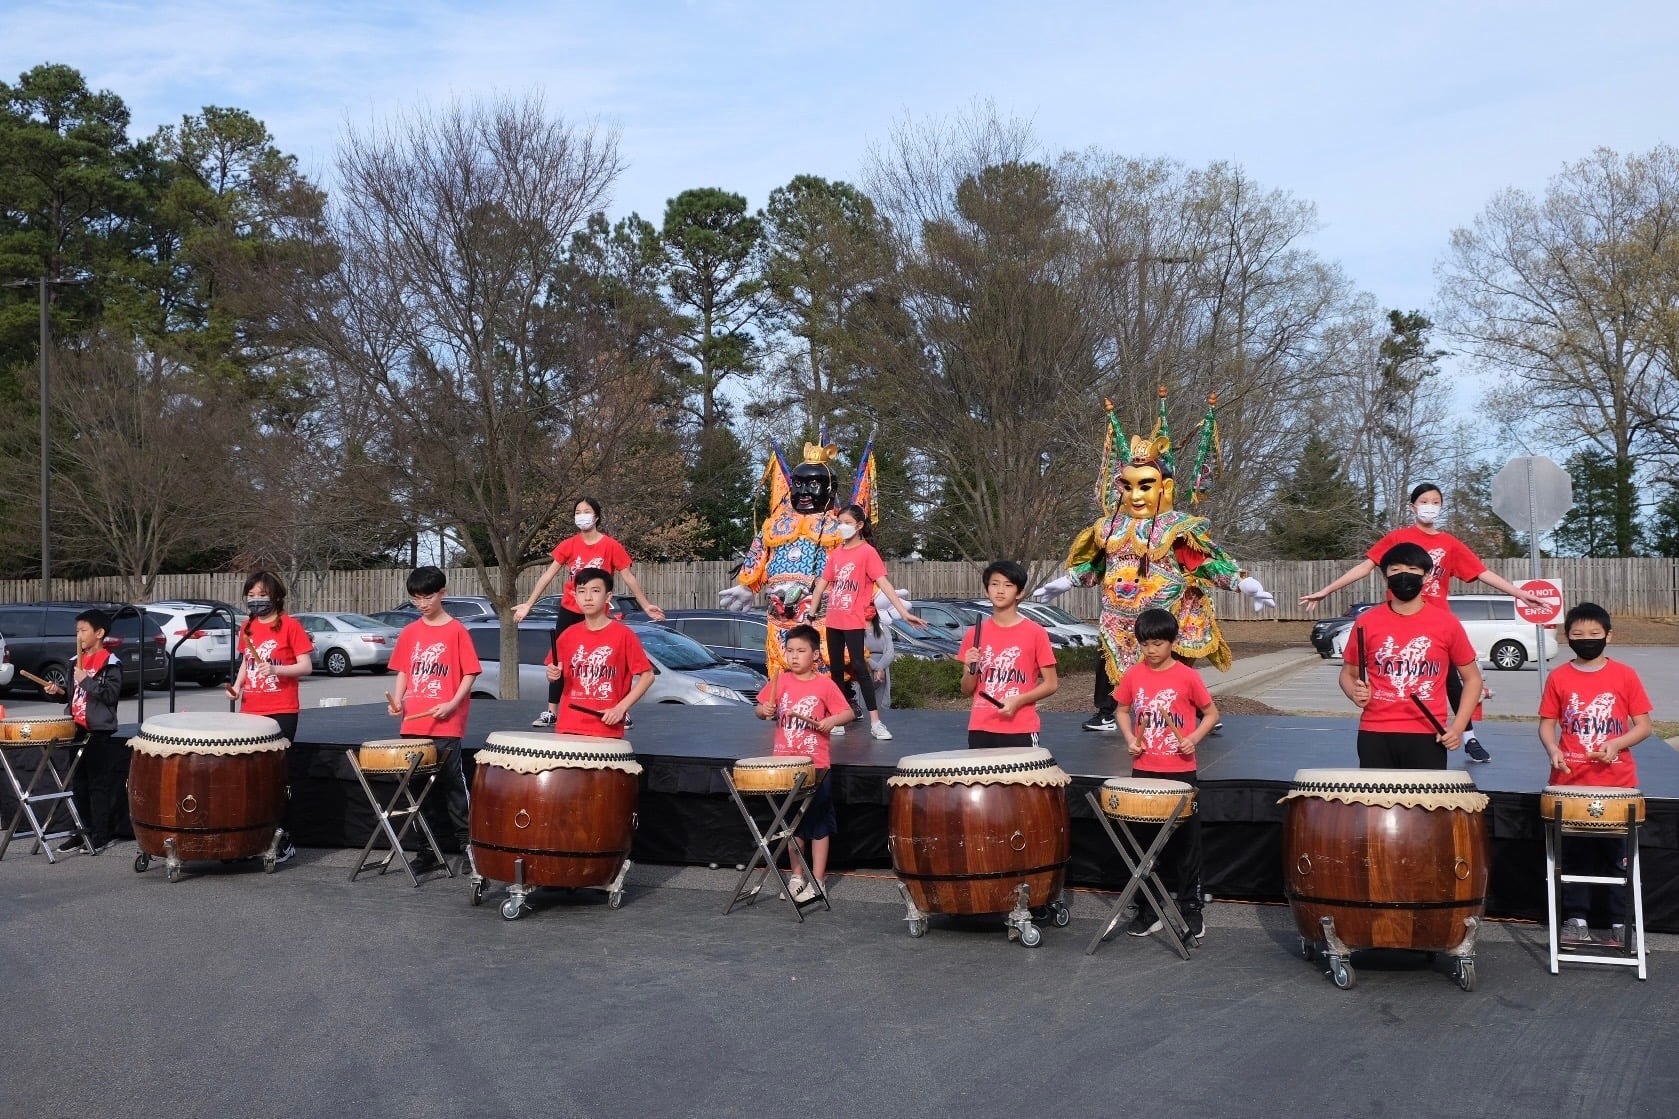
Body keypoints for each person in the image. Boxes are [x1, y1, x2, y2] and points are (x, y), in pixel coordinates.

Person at [1033, 390, 1265, 733]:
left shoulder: (1176, 527)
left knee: (1175, 665)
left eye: (1145, 486)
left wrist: (1243, 582)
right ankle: (1108, 711)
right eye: (1128, 487)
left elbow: (1202, 562)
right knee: (1110, 658)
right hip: (1119, 613)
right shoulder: (1110, 526)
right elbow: (1097, 567)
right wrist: (1065, 581)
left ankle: (1193, 712)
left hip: (1167, 610)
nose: (1136, 496)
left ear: (1165, 488)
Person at [1302, 482, 1543, 762]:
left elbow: (1482, 572)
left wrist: (1519, 594)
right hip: (1397, 620)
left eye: (1436, 501)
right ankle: (1402, 731)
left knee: (1454, 680)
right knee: (1394, 676)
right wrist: (1327, 590)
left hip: (1433, 623)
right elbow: (1365, 566)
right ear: (1412, 506)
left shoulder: (1449, 544)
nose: (1430, 505)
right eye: (1424, 500)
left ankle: (1468, 735)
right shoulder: (1397, 539)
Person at [1538, 602, 1653, 946]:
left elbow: (1644, 726)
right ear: (1567, 637)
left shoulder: (1625, 675)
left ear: (1608, 636)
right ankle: (1576, 920)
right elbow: (1546, 725)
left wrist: (1617, 744)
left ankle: (1621, 924)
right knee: (1573, 857)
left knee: (1618, 858)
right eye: (1578, 634)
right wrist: (1554, 750)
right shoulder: (1559, 676)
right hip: (1570, 785)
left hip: (1617, 785)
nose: (1586, 639)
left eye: (1593, 634)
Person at [1114, 607, 1219, 941]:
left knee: (1186, 847)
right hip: (1144, 772)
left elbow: (1211, 713)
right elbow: (1122, 709)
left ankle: (1191, 910)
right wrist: (1131, 738)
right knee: (1144, 847)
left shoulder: (1187, 676)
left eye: (1158, 643)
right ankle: (1149, 911)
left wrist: (1192, 739)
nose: (1151, 650)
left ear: (1173, 641)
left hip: (1180, 772)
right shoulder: (1134, 674)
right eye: (1145, 644)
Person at [515, 497, 664, 727]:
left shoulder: (611, 546)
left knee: (608, 659)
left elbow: (628, 577)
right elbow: (548, 575)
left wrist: (645, 604)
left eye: (586, 511)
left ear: (596, 516)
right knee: (559, 660)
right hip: (570, 609)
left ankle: (620, 707)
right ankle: (552, 710)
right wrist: (529, 603)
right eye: (577, 512)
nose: (581, 515)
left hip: (598, 613)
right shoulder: (569, 545)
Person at [1338, 543, 1483, 770]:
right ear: (1385, 576)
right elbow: (1348, 673)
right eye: (1395, 570)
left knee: (1425, 805)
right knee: (1376, 803)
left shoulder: (1447, 623)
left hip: (1428, 734)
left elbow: (1472, 679)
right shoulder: (1367, 621)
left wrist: (1458, 727)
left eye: (1413, 570)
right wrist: (1353, 692)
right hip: (1375, 732)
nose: (1404, 576)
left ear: (1426, 577)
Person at [385, 566, 481, 865]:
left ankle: (469, 848)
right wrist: (397, 701)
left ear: (443, 594)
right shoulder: (410, 632)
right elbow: (404, 671)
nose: (422, 603)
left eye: (428, 596)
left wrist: (452, 704)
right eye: (416, 598)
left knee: (452, 786)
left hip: (446, 722)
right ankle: (427, 849)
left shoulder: (457, 631)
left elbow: (470, 674)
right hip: (414, 720)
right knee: (416, 789)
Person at [754, 624, 854, 903]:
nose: (794, 656)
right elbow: (759, 710)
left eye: (801, 651)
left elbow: (846, 712)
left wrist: (830, 721)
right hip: (785, 763)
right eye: (790, 650)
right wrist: (765, 710)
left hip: (816, 764)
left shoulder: (824, 684)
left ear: (815, 655)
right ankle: (797, 875)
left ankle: (818, 880)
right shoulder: (781, 680)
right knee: (791, 824)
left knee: (819, 823)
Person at [808, 504, 924, 740]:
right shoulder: (836, 554)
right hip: (833, 619)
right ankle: (838, 718)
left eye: (848, 523)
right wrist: (811, 614)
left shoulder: (867, 553)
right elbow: (822, 584)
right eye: (840, 522)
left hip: (853, 619)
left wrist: (903, 612)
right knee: (837, 671)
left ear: (859, 526)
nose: (843, 527)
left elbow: (884, 584)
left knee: (860, 667)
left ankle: (876, 722)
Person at [227, 571, 313, 864]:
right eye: (250, 596)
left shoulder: (291, 626)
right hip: (251, 708)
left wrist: (277, 670)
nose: (255, 601)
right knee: (251, 777)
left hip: (281, 709)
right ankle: (254, 837)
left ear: (275, 595)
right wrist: (237, 687)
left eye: (261, 595)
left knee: (276, 777)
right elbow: (245, 663)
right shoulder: (247, 626)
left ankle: (283, 838)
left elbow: (306, 666)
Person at [44, 608, 125, 855]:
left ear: (99, 633)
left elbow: (111, 696)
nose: (78, 635)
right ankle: (81, 832)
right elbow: (72, 695)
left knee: (97, 786)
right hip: (75, 728)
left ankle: (101, 835)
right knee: (78, 784)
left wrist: (86, 680)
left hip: (98, 730)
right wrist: (58, 692)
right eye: (77, 631)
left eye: (83, 630)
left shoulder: (110, 663)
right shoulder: (74, 662)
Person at [959, 561, 1059, 749]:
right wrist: (970, 669)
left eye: (1008, 585)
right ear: (987, 591)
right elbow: (966, 689)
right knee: (982, 780)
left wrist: (1017, 700)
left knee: (1021, 779)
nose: (1000, 590)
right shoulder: (974, 634)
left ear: (1019, 593)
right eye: (994, 584)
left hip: (1021, 728)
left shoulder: (1036, 632)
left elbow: (1051, 684)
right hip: (981, 727)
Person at [546, 568, 655, 739]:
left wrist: (621, 708)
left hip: (606, 729)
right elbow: (554, 674)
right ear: (575, 596)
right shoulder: (567, 635)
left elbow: (647, 676)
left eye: (595, 591)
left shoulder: (624, 634)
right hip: (568, 727)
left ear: (608, 597)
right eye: (581, 591)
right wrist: (552, 674)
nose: (588, 597)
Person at [863, 593, 898, 710]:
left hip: (882, 673)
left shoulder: (883, 627)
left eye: (872, 606)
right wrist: (876, 668)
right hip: (865, 669)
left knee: (882, 705)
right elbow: (859, 652)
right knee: (864, 704)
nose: (870, 609)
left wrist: (880, 668)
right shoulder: (855, 629)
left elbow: (890, 652)